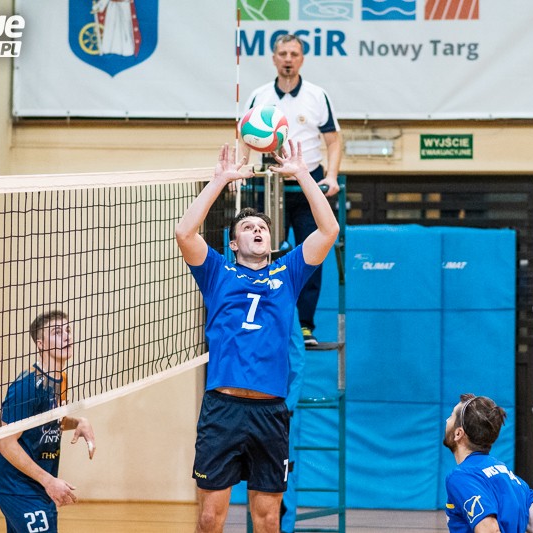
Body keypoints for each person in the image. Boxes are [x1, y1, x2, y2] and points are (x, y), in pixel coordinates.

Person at [176, 142, 338, 533]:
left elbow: (329, 229)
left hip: (270, 412)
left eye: (262, 228)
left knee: (267, 520)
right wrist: (219, 181)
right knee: (209, 518)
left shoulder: (288, 272)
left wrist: (303, 173)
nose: (257, 231)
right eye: (248, 228)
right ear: (234, 244)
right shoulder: (218, 273)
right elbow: (184, 232)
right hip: (223, 409)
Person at [243, 32, 342, 347]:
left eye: (294, 54)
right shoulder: (259, 96)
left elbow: (334, 141)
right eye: (283, 54)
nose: (288, 59)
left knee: (313, 253)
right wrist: (241, 170)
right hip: (269, 183)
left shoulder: (317, 95)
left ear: (301, 59)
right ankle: (264, 319)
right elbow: (244, 136)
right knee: (261, 252)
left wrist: (332, 176)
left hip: (308, 183)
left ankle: (305, 326)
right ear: (274, 58)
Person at [0, 310, 96, 533]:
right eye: (57, 332)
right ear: (40, 344)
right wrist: (48, 481)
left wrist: (78, 422)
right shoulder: (27, 386)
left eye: (67, 330)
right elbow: (6, 443)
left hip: (39, 484)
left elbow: (50, 421)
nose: (66, 336)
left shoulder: (61, 379)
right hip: (17, 485)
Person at [443, 393, 533, 533]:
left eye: (451, 416)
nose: (447, 420)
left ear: (458, 433)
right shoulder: (509, 476)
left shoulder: (461, 476)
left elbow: (490, 530)